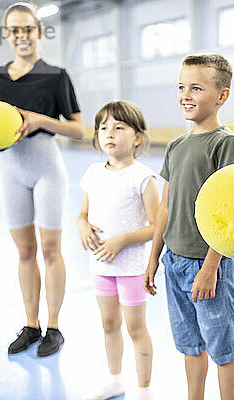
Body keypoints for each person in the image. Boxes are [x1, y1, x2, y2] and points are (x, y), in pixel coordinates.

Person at [0, 2, 85, 356]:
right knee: (25, 252)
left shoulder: (56, 76)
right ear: (7, 35)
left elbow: (78, 129)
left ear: (39, 31)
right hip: (8, 169)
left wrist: (40, 119)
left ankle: (54, 327)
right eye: (14, 30)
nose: (21, 35)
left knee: (51, 250)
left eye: (28, 28)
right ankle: (31, 324)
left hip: (46, 169)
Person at [143, 53, 234, 400]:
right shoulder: (175, 146)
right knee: (190, 346)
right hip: (173, 261)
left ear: (222, 96)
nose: (186, 94)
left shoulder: (225, 143)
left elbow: (233, 213)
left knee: (223, 348)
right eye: (182, 86)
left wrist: (210, 267)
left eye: (196, 88)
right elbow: (166, 208)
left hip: (208, 265)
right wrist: (154, 258)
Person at [77, 101, 158, 400]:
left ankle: (144, 389)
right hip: (100, 266)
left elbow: (155, 225)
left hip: (131, 268)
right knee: (109, 324)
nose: (109, 133)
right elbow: (82, 214)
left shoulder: (143, 177)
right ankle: (114, 379)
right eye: (103, 127)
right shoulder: (93, 173)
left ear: (137, 137)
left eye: (119, 127)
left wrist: (123, 240)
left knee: (136, 329)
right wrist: (81, 225)